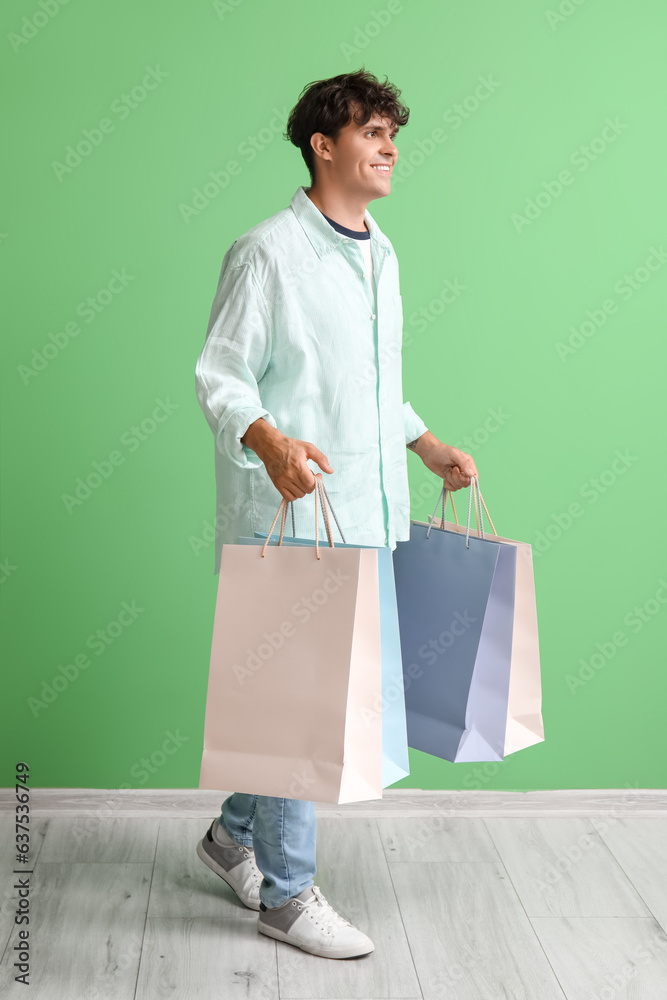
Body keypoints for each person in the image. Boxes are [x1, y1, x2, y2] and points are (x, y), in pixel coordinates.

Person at [194, 68, 478, 960]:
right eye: (372, 132)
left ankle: (231, 839)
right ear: (323, 144)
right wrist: (270, 444)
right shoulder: (267, 250)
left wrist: (422, 441)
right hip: (292, 510)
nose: (389, 146)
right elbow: (221, 376)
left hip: (366, 507)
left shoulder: (380, 253)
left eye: (393, 133)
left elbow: (370, 384)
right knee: (297, 702)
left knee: (308, 703)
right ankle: (286, 894)